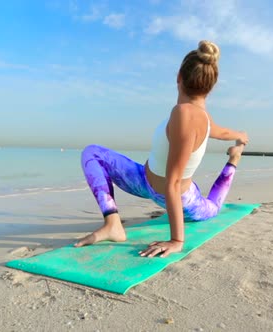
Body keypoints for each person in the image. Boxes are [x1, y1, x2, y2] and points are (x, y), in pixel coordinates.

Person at [76, 40, 249, 258]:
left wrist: (177, 240)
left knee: (213, 207)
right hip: (143, 180)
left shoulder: (185, 114)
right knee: (92, 153)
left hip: (182, 197)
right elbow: (221, 133)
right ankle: (113, 224)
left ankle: (234, 159)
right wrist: (240, 135)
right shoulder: (198, 116)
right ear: (211, 87)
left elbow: (174, 182)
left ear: (179, 77)